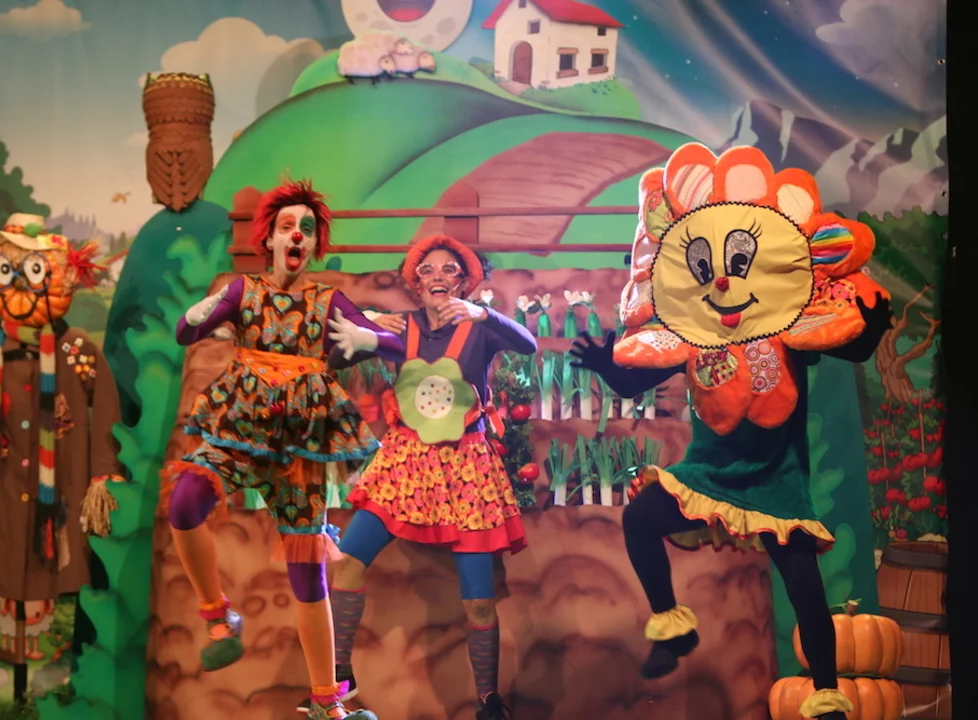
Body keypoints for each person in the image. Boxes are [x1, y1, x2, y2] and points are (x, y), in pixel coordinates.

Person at [569, 144, 892, 720]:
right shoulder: (694, 337)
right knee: (640, 518)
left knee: (805, 587)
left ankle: (826, 695)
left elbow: (852, 347)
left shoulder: (787, 325)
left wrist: (870, 328)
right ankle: (672, 627)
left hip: (776, 481)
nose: (722, 280)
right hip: (710, 475)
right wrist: (602, 366)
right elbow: (633, 383)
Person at [163, 178, 400, 720]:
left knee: (307, 573)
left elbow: (393, 342)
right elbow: (184, 332)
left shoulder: (327, 301)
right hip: (241, 429)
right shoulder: (243, 292)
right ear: (268, 239)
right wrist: (205, 311)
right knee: (184, 501)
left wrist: (370, 337)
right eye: (288, 227)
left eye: (307, 229)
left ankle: (326, 703)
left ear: (314, 246)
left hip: (300, 447)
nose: (297, 235)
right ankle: (218, 616)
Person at [315, 234, 536, 720]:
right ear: (416, 282)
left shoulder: (478, 326)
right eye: (428, 270)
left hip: (466, 469)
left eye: (449, 270)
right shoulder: (402, 327)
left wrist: (484, 315)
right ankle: (339, 673)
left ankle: (488, 701)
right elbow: (334, 359)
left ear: (464, 281)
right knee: (347, 564)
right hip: (404, 465)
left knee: (479, 604)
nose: (438, 277)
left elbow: (529, 344)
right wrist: (366, 327)